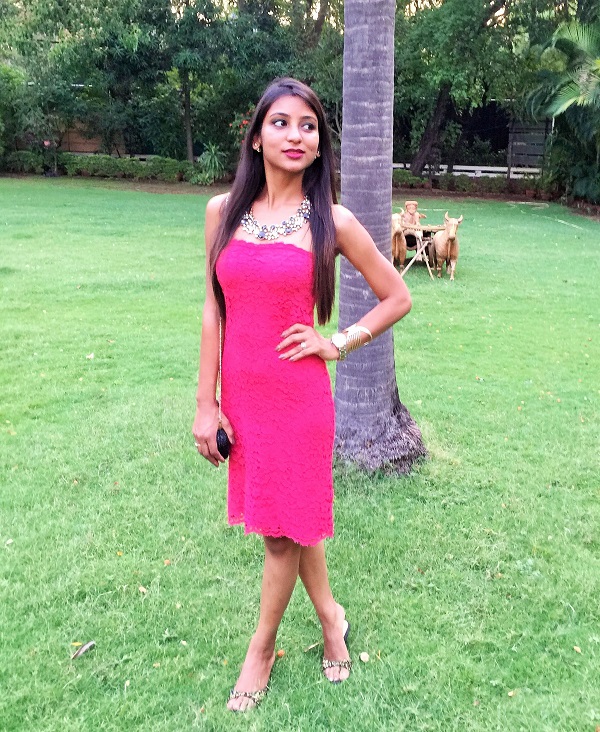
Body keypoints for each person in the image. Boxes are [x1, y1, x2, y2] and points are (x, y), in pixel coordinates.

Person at [192, 77, 412, 712]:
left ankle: (261, 648)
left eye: (308, 126)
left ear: (320, 144)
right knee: (296, 516)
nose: (295, 135)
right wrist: (206, 402)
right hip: (244, 399)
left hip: (299, 400)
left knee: (280, 533)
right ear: (256, 137)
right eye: (281, 123)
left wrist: (337, 342)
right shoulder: (221, 212)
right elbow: (213, 309)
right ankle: (331, 619)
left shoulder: (332, 220)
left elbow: (397, 296)